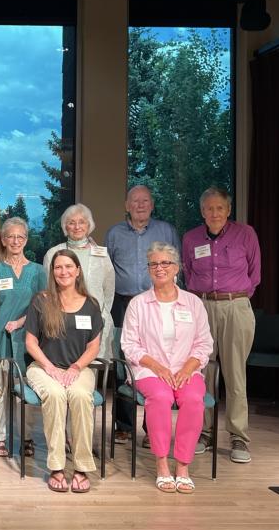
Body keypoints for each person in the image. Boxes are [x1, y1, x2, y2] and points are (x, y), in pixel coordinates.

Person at [121, 242, 214, 493]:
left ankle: (182, 466)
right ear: (148, 269)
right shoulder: (138, 304)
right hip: (149, 371)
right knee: (161, 397)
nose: (159, 268)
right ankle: (162, 464)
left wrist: (187, 369)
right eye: (154, 263)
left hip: (187, 369)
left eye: (165, 263)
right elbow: (129, 344)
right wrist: (158, 367)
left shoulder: (193, 303)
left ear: (177, 268)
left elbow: (204, 343)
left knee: (195, 398)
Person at [182, 187, 260, 464]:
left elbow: (255, 274)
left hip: (235, 307)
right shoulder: (191, 238)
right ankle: (204, 432)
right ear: (202, 212)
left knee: (235, 374)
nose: (214, 213)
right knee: (201, 372)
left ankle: (239, 437)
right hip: (202, 307)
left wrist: (232, 299)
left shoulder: (245, 234)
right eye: (209, 209)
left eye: (219, 208)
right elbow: (189, 274)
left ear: (228, 210)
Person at [105, 186, 179, 446]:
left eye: (145, 201)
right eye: (135, 201)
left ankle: (152, 428)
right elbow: (108, 268)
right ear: (126, 205)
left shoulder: (166, 231)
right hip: (124, 303)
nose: (140, 205)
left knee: (156, 359)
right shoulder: (114, 233)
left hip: (157, 303)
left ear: (152, 204)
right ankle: (123, 426)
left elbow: (175, 266)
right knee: (124, 361)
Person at [24, 249, 103, 493]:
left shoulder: (90, 304)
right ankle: (56, 467)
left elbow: (93, 346)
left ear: (78, 270)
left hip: (78, 368)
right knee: (56, 395)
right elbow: (30, 342)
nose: (63, 271)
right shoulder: (42, 300)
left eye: (69, 266)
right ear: (52, 272)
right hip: (43, 367)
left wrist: (76, 367)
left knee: (80, 396)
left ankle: (81, 467)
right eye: (58, 267)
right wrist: (49, 367)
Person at [0, 218, 46, 458]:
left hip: (27, 339)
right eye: (10, 236)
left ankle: (27, 437)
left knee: (26, 390)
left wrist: (22, 322)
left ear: (26, 240)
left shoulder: (37, 271)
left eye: (20, 237)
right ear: (3, 239)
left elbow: (43, 304)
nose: (15, 241)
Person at [42, 205, 115, 362]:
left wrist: (99, 315)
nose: (77, 227)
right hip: (63, 323)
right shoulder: (53, 253)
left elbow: (109, 290)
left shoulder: (101, 254)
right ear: (65, 227)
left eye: (81, 222)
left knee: (91, 369)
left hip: (95, 322)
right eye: (71, 222)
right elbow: (48, 289)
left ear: (89, 225)